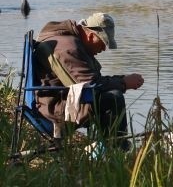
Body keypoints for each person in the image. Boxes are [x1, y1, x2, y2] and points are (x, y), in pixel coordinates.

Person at [35, 12, 144, 148]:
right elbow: (89, 85)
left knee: (107, 95)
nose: (104, 48)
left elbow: (90, 80)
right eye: (103, 42)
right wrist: (123, 83)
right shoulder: (69, 48)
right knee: (113, 98)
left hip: (54, 100)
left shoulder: (67, 40)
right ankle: (118, 150)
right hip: (55, 109)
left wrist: (120, 80)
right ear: (92, 35)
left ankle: (107, 149)